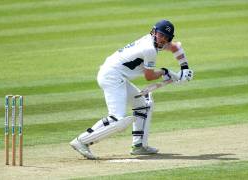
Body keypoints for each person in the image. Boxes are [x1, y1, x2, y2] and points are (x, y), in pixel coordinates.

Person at [70, 19, 193, 159]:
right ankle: (81, 141)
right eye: (161, 35)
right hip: (111, 76)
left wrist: (184, 68)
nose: (163, 39)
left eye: (166, 37)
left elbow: (176, 47)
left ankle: (139, 146)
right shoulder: (149, 49)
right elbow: (149, 76)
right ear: (153, 32)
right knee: (117, 118)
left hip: (116, 75)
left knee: (143, 106)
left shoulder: (155, 42)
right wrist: (166, 72)